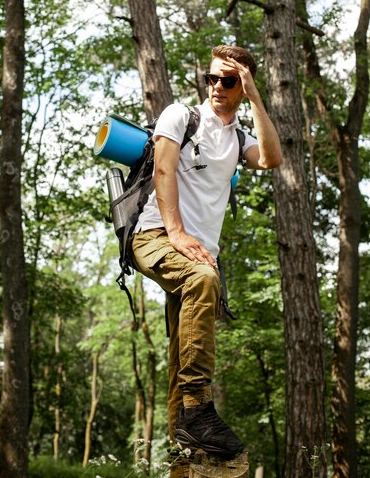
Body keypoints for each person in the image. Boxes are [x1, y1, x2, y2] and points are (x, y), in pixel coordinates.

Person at [131, 45, 282, 471]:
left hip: (199, 255)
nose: (217, 86)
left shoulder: (239, 139)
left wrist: (256, 99)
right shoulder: (180, 116)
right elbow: (162, 171)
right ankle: (200, 411)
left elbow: (272, 158)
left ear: (244, 86)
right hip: (155, 235)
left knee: (184, 350)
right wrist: (176, 232)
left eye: (228, 80)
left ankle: (185, 452)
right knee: (201, 282)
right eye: (212, 78)